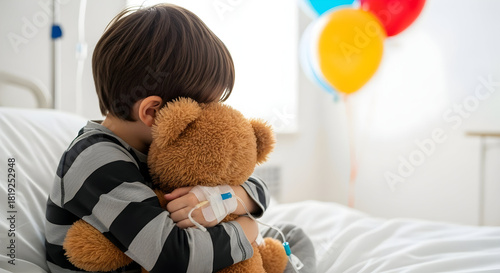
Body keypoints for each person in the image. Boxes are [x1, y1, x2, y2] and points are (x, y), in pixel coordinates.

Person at [45, 3, 315, 273]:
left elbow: (255, 188)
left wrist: (226, 199)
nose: (210, 115)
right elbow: (174, 256)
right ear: (152, 111)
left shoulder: (155, 148)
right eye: (203, 108)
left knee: (290, 235)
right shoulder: (96, 159)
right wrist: (248, 229)